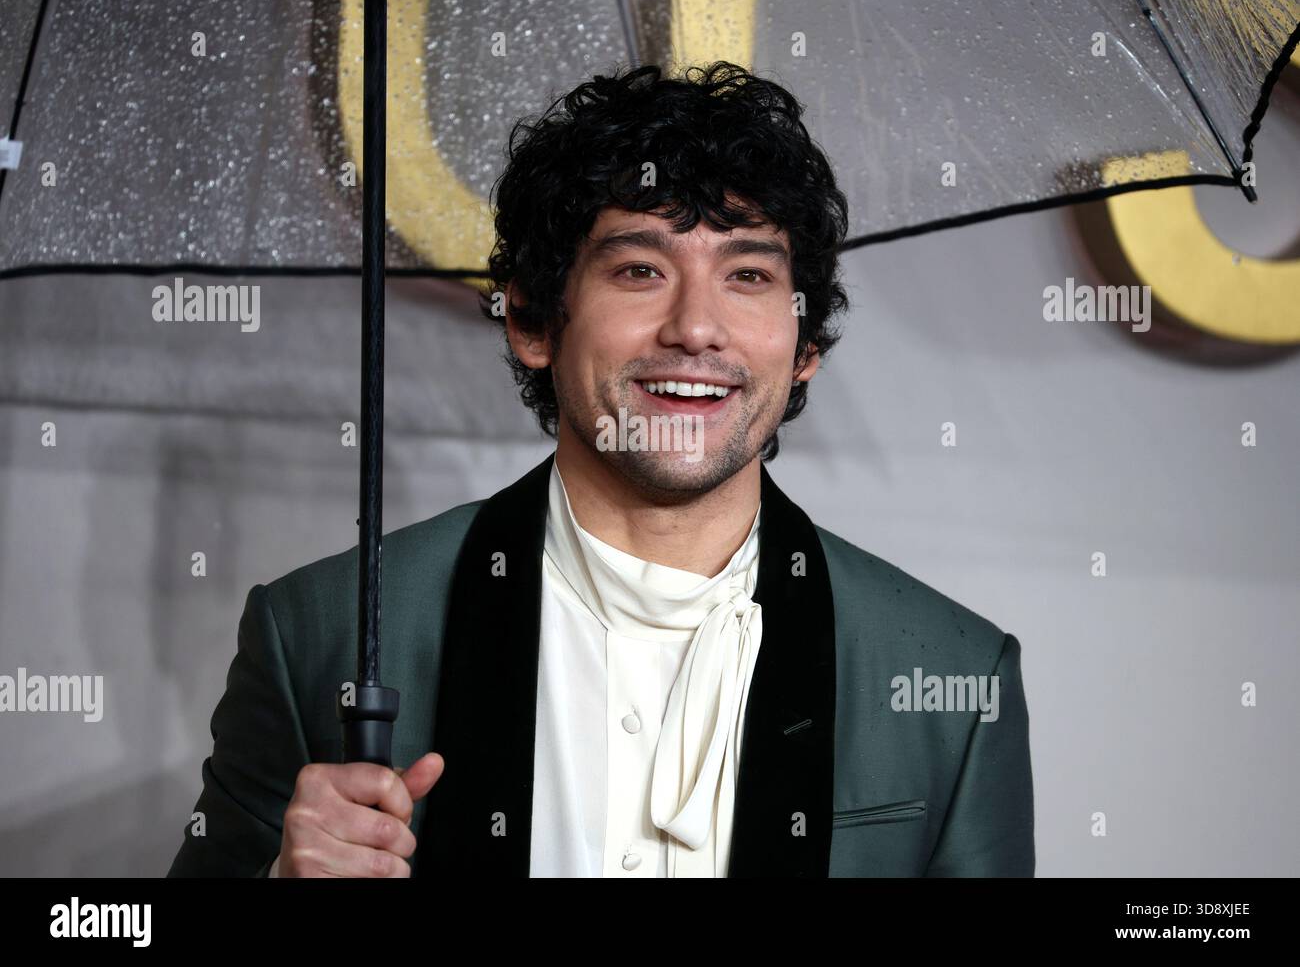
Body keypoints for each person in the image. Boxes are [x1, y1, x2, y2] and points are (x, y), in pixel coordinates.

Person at [167, 61, 1033, 878]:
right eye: (641, 269)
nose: (697, 327)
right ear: (535, 323)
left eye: (748, 275)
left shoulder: (953, 682)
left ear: (803, 344)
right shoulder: (320, 631)